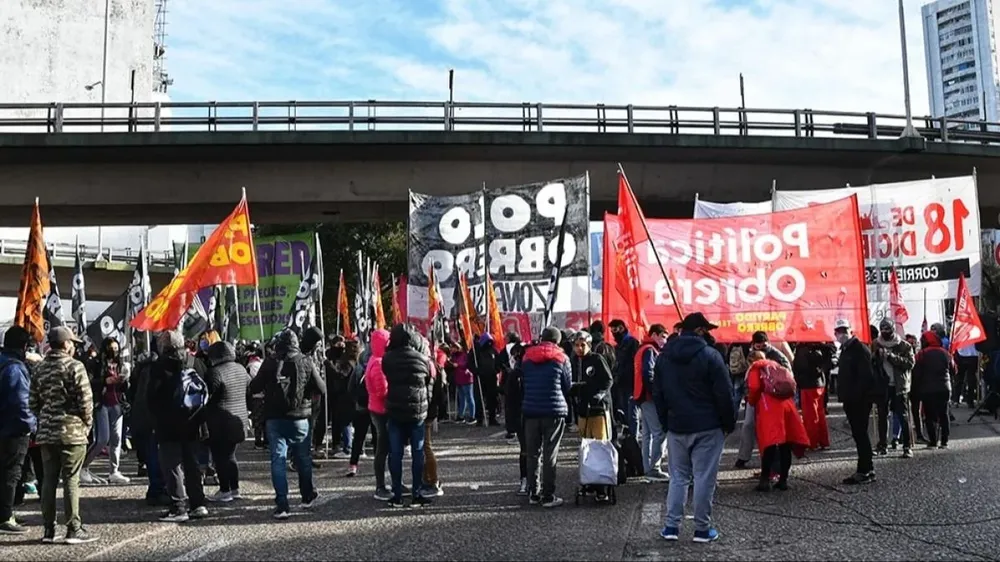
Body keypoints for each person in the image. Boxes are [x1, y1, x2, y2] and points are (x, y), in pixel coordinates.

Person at [653, 313, 735, 544]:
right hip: (708, 426)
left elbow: (658, 394)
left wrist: (665, 422)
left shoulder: (664, 357)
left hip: (677, 425)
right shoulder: (711, 356)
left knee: (678, 477)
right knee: (703, 478)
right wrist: (727, 423)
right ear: (699, 330)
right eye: (706, 329)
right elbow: (724, 394)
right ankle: (702, 529)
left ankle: (671, 526)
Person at [249, 329, 327, 519]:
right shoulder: (306, 361)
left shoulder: (270, 362)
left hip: (275, 418)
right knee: (303, 458)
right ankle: (307, 496)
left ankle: (282, 504)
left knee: (278, 459)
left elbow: (254, 387)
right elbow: (321, 389)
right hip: (300, 418)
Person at [30, 326, 97, 544]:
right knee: (71, 479)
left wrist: (46, 417)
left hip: (47, 432)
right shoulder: (75, 366)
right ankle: (73, 528)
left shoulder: (39, 369)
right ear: (66, 344)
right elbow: (86, 401)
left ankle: (49, 530)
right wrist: (87, 424)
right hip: (72, 432)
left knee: (48, 480)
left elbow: (32, 402)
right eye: (72, 343)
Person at [148, 331, 209, 523]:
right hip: (193, 421)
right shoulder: (195, 363)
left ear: (165, 347)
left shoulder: (159, 366)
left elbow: (152, 397)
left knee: (172, 465)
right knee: (192, 464)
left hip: (169, 424)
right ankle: (198, 504)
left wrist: (156, 420)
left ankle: (178, 507)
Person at [381, 324, 433, 508]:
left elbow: (387, 375)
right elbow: (428, 380)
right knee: (418, 452)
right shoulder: (421, 359)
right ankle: (417, 493)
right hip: (417, 411)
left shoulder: (388, 359)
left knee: (396, 453)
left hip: (395, 409)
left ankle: (396, 494)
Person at [521, 327, 573, 508]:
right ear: (558, 341)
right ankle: (548, 495)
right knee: (551, 454)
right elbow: (568, 385)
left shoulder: (527, 357)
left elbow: (523, 382)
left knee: (532, 453)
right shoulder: (562, 358)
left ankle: (533, 493)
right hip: (554, 411)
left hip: (531, 410)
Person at [745, 351, 810, 492]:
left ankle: (765, 479)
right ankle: (783, 479)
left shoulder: (755, 368)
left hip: (769, 406)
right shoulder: (775, 365)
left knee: (769, 443)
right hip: (786, 405)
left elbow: (754, 388)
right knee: (785, 443)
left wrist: (751, 401)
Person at [203, 341, 251, 503]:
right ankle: (235, 488)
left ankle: (225, 490)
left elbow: (207, 396)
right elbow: (249, 391)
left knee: (220, 457)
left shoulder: (215, 372)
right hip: (238, 420)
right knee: (230, 456)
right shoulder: (241, 369)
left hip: (219, 422)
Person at [0, 326, 36, 535]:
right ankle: (5, 516)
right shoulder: (15, 368)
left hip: (3, 425)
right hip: (13, 429)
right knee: (11, 473)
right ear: (24, 346)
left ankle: (6, 512)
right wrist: (32, 426)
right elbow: (21, 403)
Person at [572, 331, 614, 502]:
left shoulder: (596, 359)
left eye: (583, 345)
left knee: (599, 446)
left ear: (589, 345)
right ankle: (588, 480)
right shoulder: (574, 361)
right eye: (576, 345)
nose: (579, 348)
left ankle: (602, 486)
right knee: (585, 447)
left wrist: (599, 394)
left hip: (598, 410)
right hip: (582, 410)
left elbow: (608, 380)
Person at [81, 337, 130, 486]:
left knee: (116, 439)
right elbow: (89, 382)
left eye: (116, 349)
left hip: (117, 403)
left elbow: (125, 387)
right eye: (111, 349)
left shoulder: (121, 364)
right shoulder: (96, 364)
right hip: (101, 403)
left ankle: (114, 471)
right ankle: (83, 467)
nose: (114, 352)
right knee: (102, 439)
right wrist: (104, 381)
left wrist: (124, 381)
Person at [834, 320, 878, 485]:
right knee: (859, 434)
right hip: (851, 399)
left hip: (859, 400)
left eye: (843, 330)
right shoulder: (846, 349)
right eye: (838, 331)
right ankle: (867, 468)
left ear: (850, 330)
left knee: (861, 434)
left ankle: (865, 470)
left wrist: (855, 397)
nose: (840, 334)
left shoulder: (859, 349)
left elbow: (865, 377)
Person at [872, 319, 915, 458]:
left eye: (887, 330)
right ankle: (882, 445)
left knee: (902, 415)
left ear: (892, 330)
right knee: (882, 416)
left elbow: (910, 363)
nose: (885, 332)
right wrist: (876, 357)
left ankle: (907, 446)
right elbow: (871, 364)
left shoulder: (904, 345)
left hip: (899, 386)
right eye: (882, 330)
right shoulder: (876, 344)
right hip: (883, 385)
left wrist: (891, 357)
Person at [633, 324, 670, 482]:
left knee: (648, 434)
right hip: (649, 396)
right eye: (663, 336)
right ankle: (654, 468)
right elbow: (648, 373)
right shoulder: (650, 350)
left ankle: (647, 467)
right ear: (654, 334)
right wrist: (656, 393)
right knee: (659, 432)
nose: (665, 340)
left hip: (641, 395)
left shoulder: (642, 348)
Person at [912, 331, 956, 449]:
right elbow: (954, 370)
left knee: (929, 416)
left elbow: (916, 373)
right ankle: (944, 441)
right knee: (944, 414)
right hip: (944, 388)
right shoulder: (946, 353)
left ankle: (933, 441)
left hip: (927, 389)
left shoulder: (921, 354)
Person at [363, 328, 393, 500]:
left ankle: (386, 483)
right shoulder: (379, 363)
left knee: (385, 448)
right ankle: (380, 486)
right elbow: (383, 391)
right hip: (381, 410)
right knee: (383, 449)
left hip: (377, 408)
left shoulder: (375, 359)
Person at [793, 342, 835, 450]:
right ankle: (823, 441)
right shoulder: (822, 345)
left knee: (810, 415)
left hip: (808, 384)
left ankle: (813, 442)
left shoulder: (804, 348)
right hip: (819, 382)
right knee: (819, 413)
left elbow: (800, 366)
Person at [609, 319, 640, 436]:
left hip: (630, 382)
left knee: (631, 411)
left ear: (622, 328)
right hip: (620, 383)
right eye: (612, 330)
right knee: (623, 411)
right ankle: (627, 434)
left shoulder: (632, 343)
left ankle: (633, 437)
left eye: (615, 329)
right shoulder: (618, 346)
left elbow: (635, 364)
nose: (613, 333)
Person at [504, 344, 528, 495]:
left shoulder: (515, 374)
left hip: (521, 415)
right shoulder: (533, 371)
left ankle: (525, 481)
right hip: (538, 413)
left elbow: (509, 401)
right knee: (536, 450)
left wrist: (510, 426)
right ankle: (534, 482)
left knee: (525, 450)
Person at [453, 344, 476, 424]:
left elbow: (466, 364)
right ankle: (461, 415)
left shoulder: (465, 355)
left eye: (455, 347)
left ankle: (472, 416)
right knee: (461, 398)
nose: (453, 349)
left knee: (469, 398)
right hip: (459, 379)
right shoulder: (454, 356)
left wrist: (458, 365)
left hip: (466, 378)